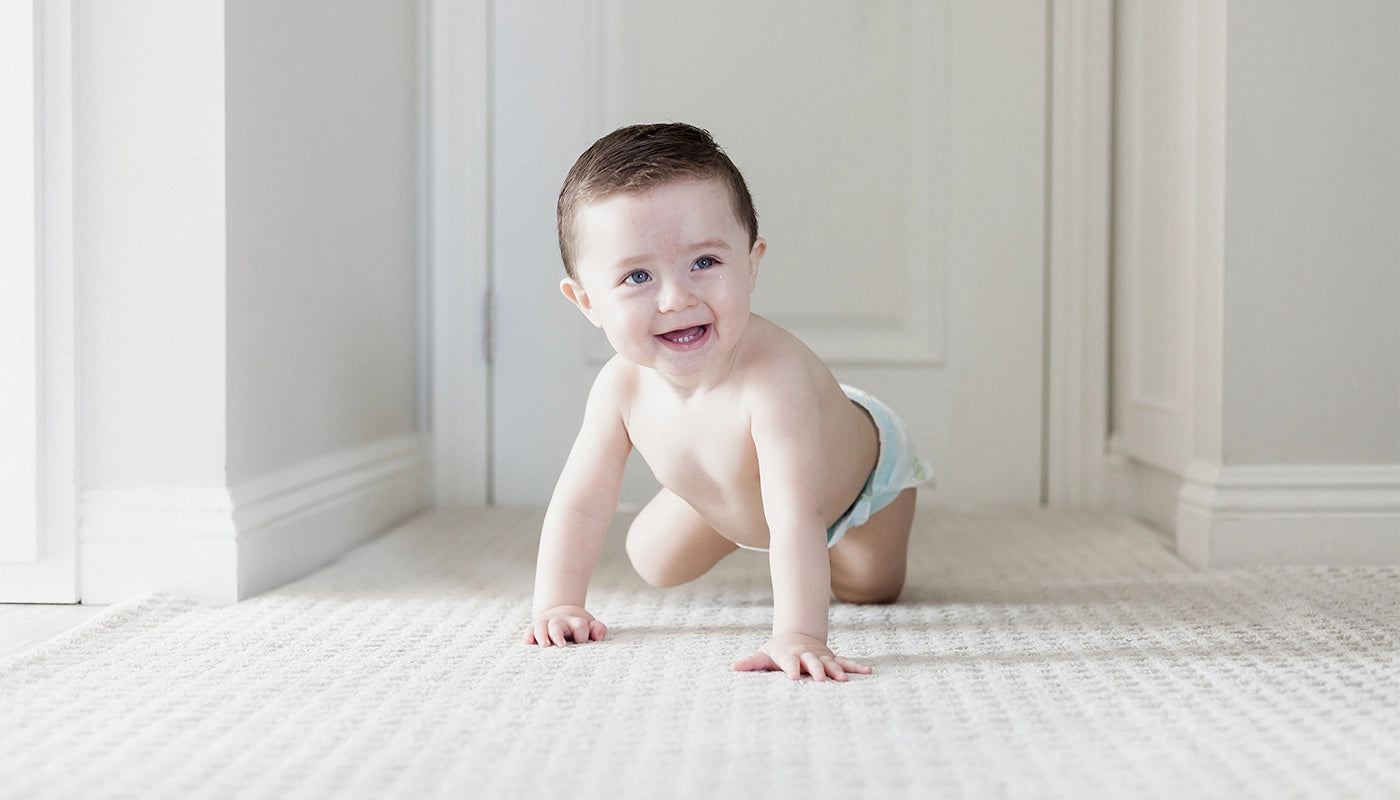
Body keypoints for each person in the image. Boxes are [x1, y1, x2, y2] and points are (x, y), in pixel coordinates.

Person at [523, 122, 932, 681]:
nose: (676, 298)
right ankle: (727, 503)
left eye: (705, 263)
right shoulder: (620, 388)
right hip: (736, 481)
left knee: (869, 589)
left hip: (853, 486)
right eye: (638, 276)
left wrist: (799, 634)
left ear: (752, 262)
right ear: (587, 300)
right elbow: (580, 503)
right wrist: (556, 604)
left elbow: (796, 514)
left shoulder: (774, 378)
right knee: (651, 559)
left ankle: (830, 548)